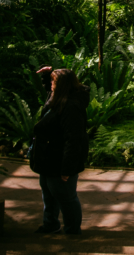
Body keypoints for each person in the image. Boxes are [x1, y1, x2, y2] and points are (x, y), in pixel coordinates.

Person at [30, 66, 90, 235]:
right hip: (48, 158)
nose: (50, 84)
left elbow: (74, 140)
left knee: (66, 197)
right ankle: (50, 224)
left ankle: (72, 230)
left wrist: (67, 170)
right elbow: (49, 92)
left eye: (53, 81)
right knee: (48, 195)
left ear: (62, 85)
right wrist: (47, 75)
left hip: (59, 160)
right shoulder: (58, 97)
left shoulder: (71, 107)